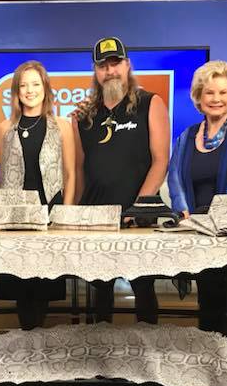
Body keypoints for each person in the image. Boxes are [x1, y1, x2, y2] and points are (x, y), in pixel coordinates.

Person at [73, 36, 170, 323]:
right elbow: (79, 169)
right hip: (97, 218)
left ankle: (148, 350)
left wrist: (138, 208)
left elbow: (160, 161)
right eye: (103, 66)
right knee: (99, 294)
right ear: (95, 71)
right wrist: (72, 212)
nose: (110, 71)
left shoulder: (150, 103)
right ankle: (99, 350)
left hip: (137, 218)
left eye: (115, 63)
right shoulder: (84, 115)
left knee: (143, 288)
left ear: (127, 65)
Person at [168, 60, 227, 335]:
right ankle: (209, 354)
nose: (216, 99)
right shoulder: (186, 136)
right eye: (209, 92)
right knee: (207, 303)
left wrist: (218, 220)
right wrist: (185, 214)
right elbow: (175, 178)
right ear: (199, 96)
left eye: (222, 92)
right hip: (196, 232)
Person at [0, 61, 77, 329]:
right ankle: (26, 337)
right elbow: (5, 174)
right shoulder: (5, 127)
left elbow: (70, 173)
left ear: (45, 88)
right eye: (23, 85)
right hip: (16, 218)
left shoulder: (62, 126)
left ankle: (39, 341)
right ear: (16, 91)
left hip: (50, 214)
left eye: (35, 84)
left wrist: (65, 214)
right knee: (21, 285)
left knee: (44, 286)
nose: (29, 90)